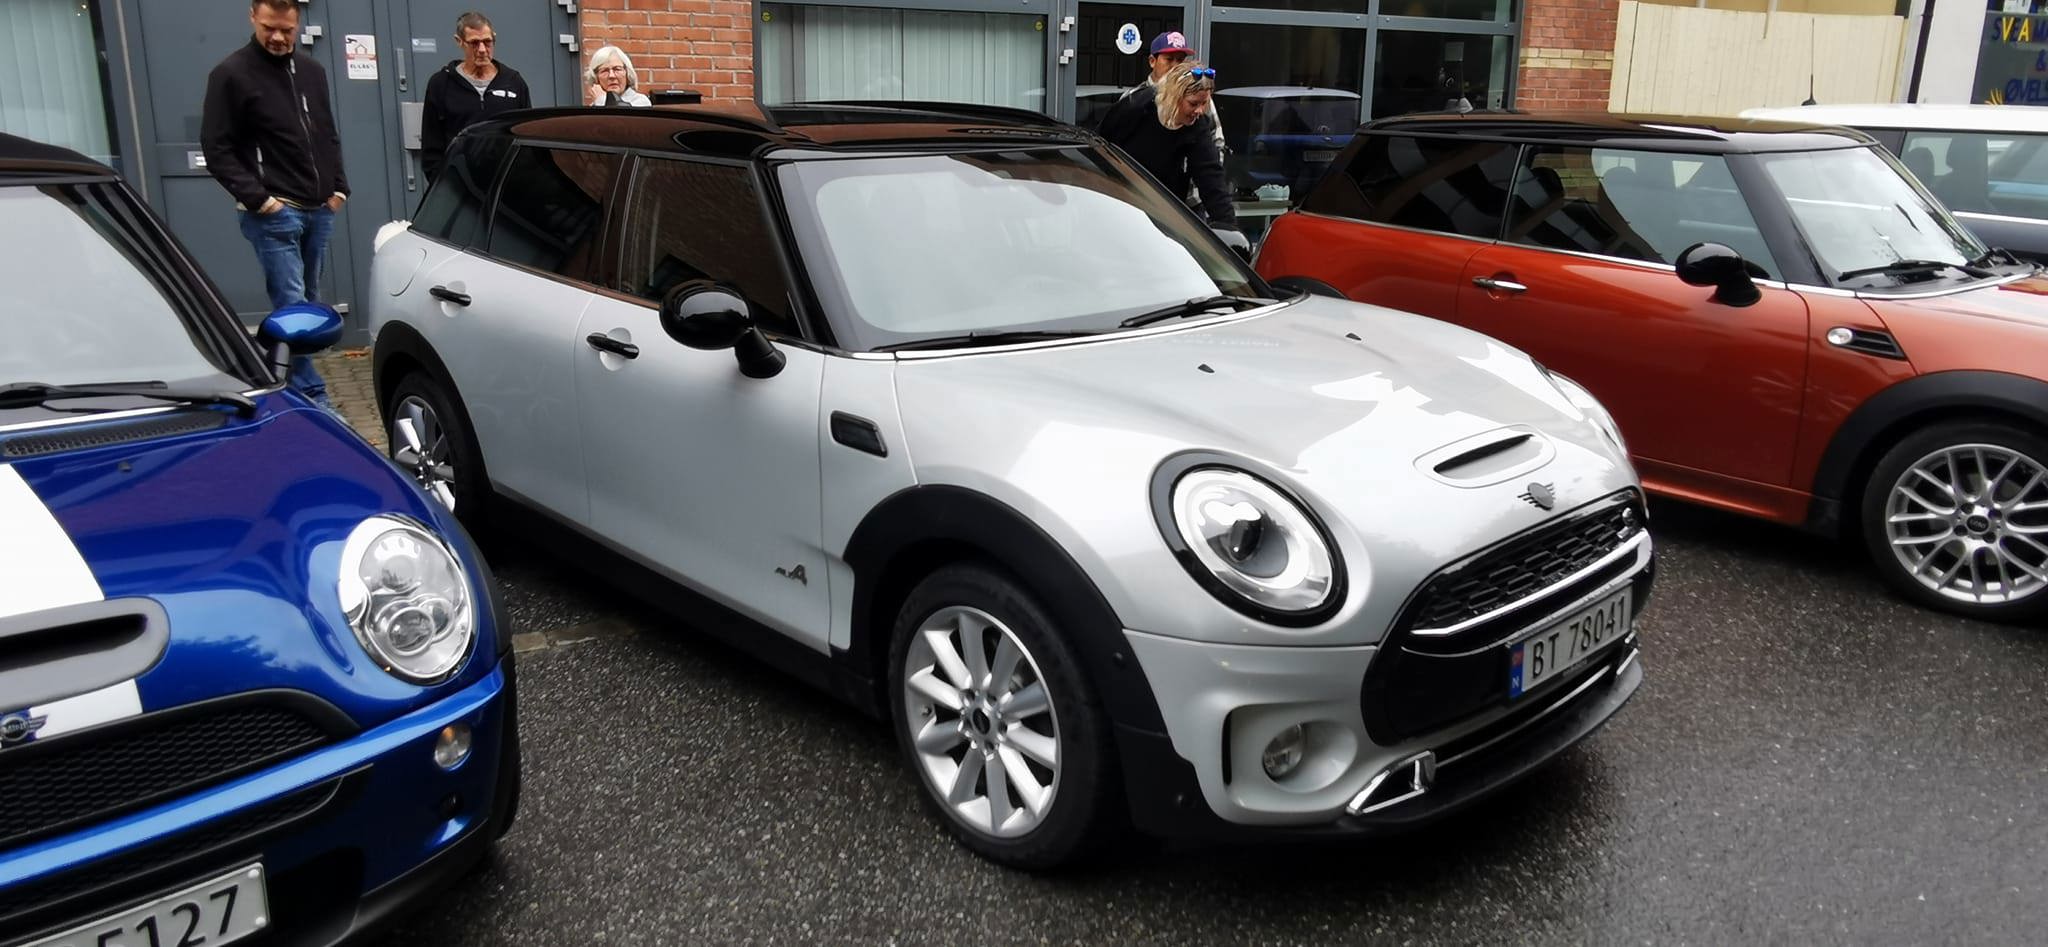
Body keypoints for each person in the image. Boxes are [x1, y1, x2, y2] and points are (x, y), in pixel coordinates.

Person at [201, 0, 347, 407]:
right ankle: (312, 395)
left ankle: (280, 376)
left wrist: (339, 189)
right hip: (275, 210)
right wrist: (260, 200)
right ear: (253, 17)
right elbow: (216, 148)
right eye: (269, 28)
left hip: (319, 208)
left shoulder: (313, 71)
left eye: (287, 29)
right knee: (292, 306)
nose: (279, 37)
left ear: (298, 23)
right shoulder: (231, 74)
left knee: (308, 304)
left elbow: (327, 134)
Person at [1097, 61, 1238, 231]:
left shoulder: (1197, 126)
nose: (1200, 111)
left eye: (1204, 104)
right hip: (1123, 200)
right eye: (1193, 104)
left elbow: (1212, 180)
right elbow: (1099, 145)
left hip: (1166, 208)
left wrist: (1229, 230)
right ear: (1174, 96)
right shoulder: (1136, 107)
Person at [419, 11, 532, 181]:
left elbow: (526, 137)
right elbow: (431, 148)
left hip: (504, 184)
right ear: (459, 41)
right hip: (458, 184)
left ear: (494, 38)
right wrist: (443, 186)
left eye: (487, 42)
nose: (482, 50)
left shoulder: (514, 82)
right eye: (474, 43)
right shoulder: (441, 84)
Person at [1116, 31, 1225, 159]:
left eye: (1180, 60)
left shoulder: (1199, 98)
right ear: (1152, 61)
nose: (1175, 66)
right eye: (1169, 59)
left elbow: (1217, 141)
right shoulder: (1132, 98)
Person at [587, 46, 651, 107]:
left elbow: (618, 114)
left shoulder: (641, 101)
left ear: (627, 73)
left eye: (617, 69)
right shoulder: (595, 105)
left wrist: (601, 101)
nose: (611, 76)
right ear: (596, 78)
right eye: (604, 71)